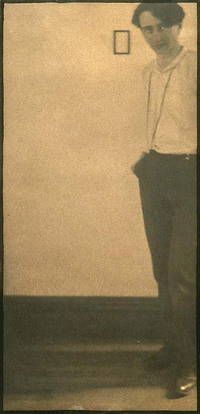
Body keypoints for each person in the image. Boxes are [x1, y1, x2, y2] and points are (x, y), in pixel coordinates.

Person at [131, 3, 197, 398]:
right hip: (155, 172)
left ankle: (188, 363)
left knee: (182, 276)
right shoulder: (147, 72)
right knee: (161, 270)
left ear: (177, 25)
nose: (154, 36)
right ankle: (175, 346)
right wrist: (145, 156)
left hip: (190, 173)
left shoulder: (195, 66)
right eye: (146, 30)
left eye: (159, 27)